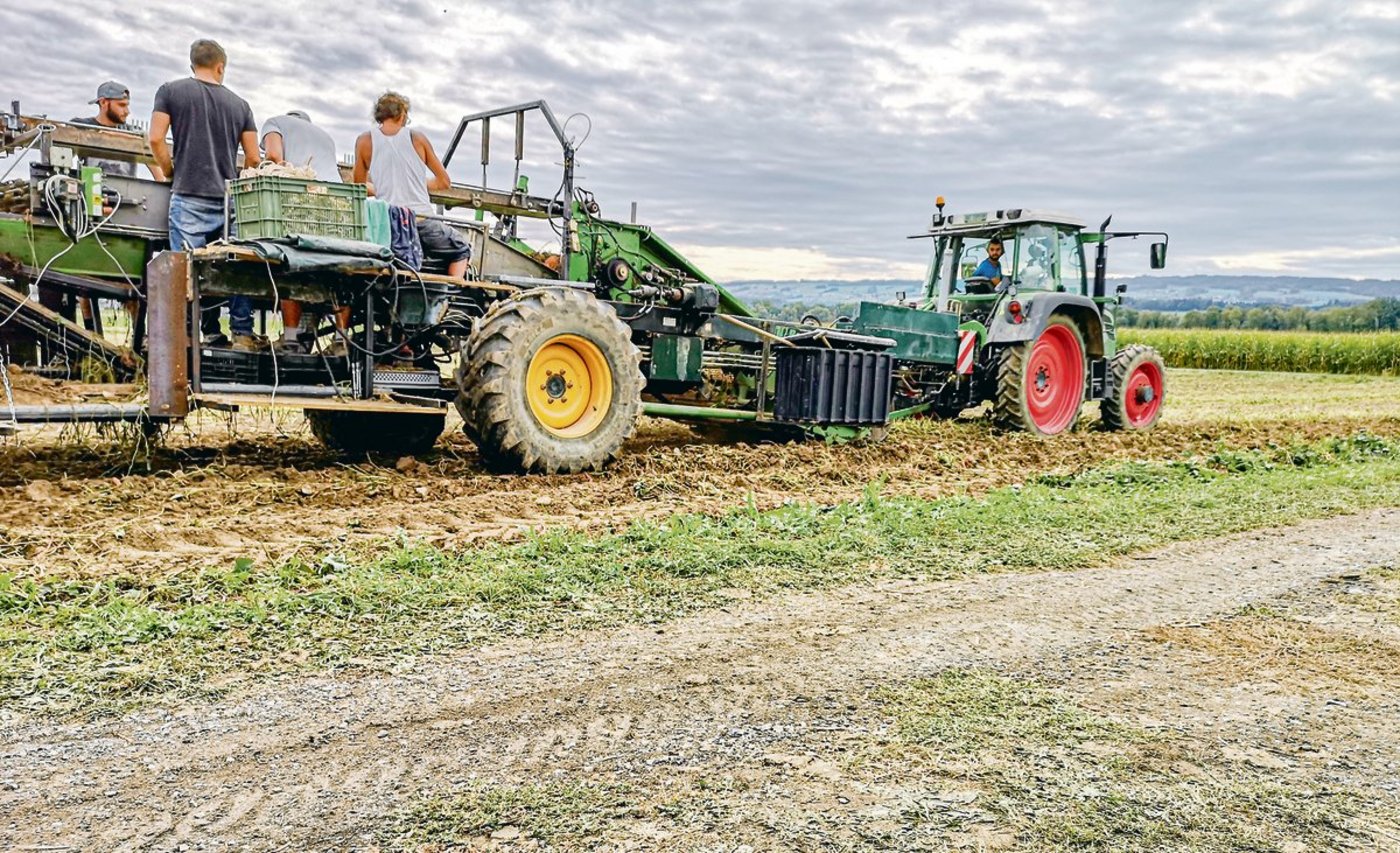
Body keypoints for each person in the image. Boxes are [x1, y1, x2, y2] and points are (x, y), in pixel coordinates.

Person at [148, 39, 261, 349]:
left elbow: (156, 138)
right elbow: (253, 157)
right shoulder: (241, 105)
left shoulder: (170, 91)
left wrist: (170, 170)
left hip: (188, 195)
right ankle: (242, 333)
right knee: (236, 265)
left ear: (192, 64)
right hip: (229, 200)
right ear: (220, 67)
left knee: (186, 270)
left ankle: (184, 338)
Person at [352, 91, 470, 279]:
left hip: (388, 225)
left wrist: (381, 188)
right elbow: (444, 182)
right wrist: (415, 183)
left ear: (378, 115)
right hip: (421, 222)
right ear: (403, 114)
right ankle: (451, 293)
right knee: (461, 249)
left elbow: (357, 187)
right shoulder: (417, 138)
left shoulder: (364, 141)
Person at [261, 110, 345, 351]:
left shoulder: (274, 122)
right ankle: (341, 340)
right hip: (335, 206)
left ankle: (290, 339)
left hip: (300, 200)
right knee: (341, 271)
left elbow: (274, 157)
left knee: (291, 264)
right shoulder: (326, 136)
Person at [69, 81, 166, 181]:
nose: (127, 112)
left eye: (127, 105)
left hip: (127, 194)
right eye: (121, 105)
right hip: (90, 192)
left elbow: (157, 171)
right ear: (103, 102)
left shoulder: (134, 131)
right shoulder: (81, 126)